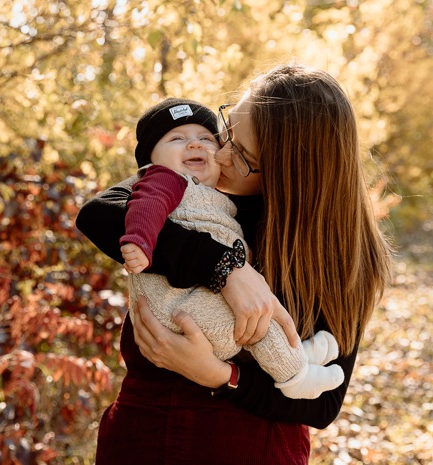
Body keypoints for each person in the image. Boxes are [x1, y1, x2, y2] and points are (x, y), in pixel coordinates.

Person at [76, 64, 392, 464]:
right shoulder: (191, 187)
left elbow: (322, 405)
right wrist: (226, 268)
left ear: (285, 174)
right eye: (226, 133)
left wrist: (221, 376)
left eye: (241, 154)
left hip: (248, 442)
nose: (219, 154)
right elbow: (98, 214)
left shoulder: (341, 255)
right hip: (144, 427)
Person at [118, 97, 344, 399]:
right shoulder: (163, 181)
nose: (201, 147)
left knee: (254, 316)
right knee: (252, 319)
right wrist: (141, 242)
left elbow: (324, 409)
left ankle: (294, 358)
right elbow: (121, 210)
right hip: (181, 310)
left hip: (200, 326)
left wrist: (222, 375)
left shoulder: (228, 201)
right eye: (177, 139)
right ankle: (295, 374)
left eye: (206, 139)